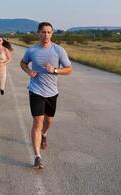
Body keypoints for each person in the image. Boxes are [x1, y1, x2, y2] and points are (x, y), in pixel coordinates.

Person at [20, 22, 72, 169]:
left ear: (52, 33)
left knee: (48, 122)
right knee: (37, 123)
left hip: (52, 92)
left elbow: (69, 69)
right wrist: (29, 71)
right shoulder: (32, 50)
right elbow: (23, 63)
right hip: (36, 90)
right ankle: (37, 157)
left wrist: (54, 70)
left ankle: (45, 134)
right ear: (38, 33)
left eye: (49, 32)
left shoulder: (59, 50)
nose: (46, 35)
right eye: (43, 32)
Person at [0, 35, 12, 105]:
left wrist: (4, 63)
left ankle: (2, 89)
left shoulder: (5, 50)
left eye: (0, 40)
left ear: (2, 41)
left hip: (3, 68)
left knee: (2, 83)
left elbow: (9, 59)